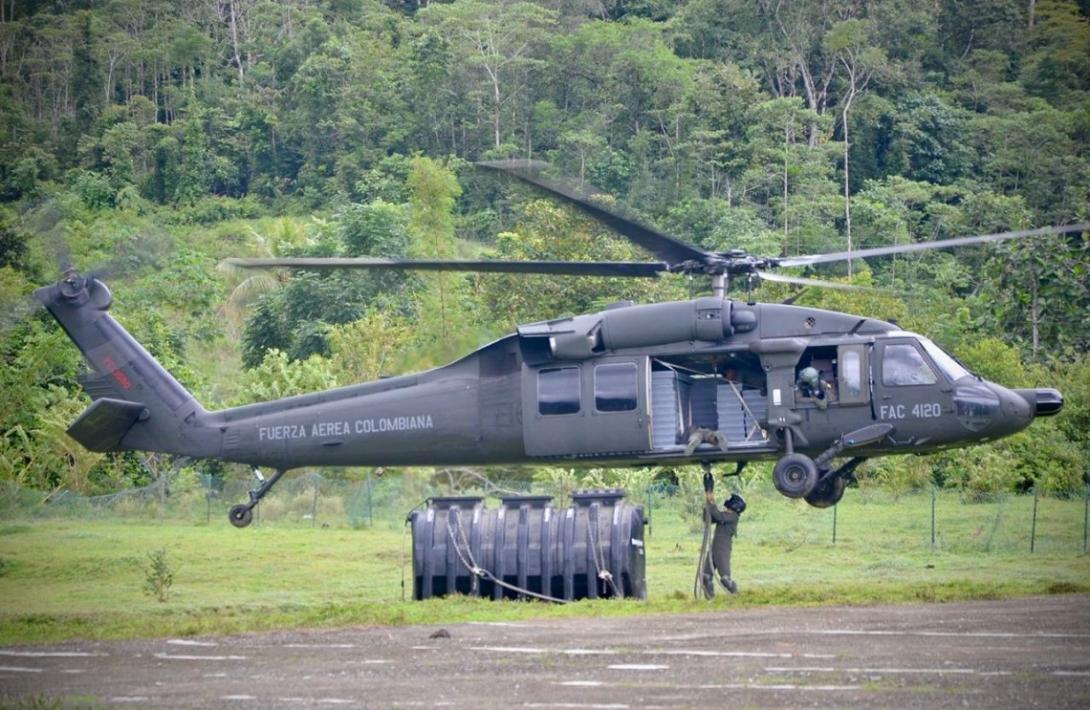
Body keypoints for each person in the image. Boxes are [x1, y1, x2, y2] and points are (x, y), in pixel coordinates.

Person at [701, 472, 745, 598]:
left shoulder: (732, 517)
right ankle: (710, 600)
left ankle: (737, 597)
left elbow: (718, 515)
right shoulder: (726, 516)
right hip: (714, 549)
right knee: (705, 576)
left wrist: (710, 497)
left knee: (725, 579)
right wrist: (708, 500)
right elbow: (708, 518)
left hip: (722, 550)